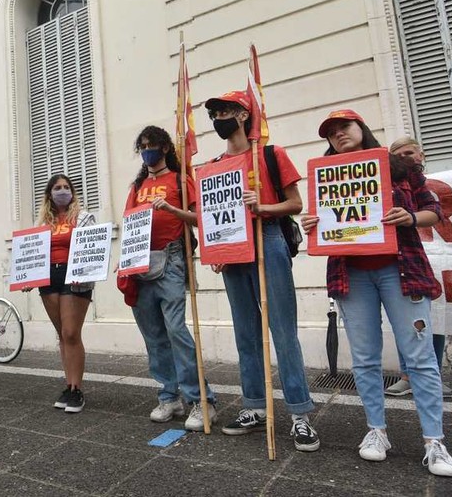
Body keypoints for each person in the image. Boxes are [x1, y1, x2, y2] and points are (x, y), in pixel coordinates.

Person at [301, 110, 452, 476]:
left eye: (345, 127)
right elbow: (325, 224)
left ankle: (434, 441)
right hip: (351, 275)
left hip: (402, 271)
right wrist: (311, 223)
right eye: (332, 132)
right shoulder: (326, 177)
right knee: (364, 359)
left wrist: (410, 217)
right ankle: (376, 431)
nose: (339, 134)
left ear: (362, 128)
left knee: (420, 358)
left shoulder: (400, 168)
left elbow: (434, 209)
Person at [204, 91, 319, 451]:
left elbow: (296, 204)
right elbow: (213, 215)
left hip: (267, 239)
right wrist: (216, 248)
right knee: (246, 334)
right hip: (234, 249)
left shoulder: (271, 154)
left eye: (224, 111)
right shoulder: (213, 165)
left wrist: (263, 206)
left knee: (283, 332)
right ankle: (254, 406)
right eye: (214, 114)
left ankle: (300, 414)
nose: (218, 118)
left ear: (243, 115)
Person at [121, 126, 217, 431]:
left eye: (151, 145)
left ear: (165, 148)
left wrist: (172, 209)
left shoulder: (180, 180)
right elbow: (128, 224)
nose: (146, 151)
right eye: (142, 146)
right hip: (141, 263)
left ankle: (201, 400)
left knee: (176, 330)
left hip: (172, 258)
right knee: (153, 334)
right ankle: (169, 395)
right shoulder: (137, 187)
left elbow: (201, 219)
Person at [384, 136, 452, 398]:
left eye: (409, 153)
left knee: (433, 319)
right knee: (406, 320)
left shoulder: (432, 182)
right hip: (410, 257)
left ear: (421, 154)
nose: (406, 158)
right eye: (399, 155)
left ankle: (431, 375)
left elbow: (435, 210)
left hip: (442, 256)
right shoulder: (393, 182)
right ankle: (407, 375)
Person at [25, 174, 95, 413]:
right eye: (57, 187)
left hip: (74, 276)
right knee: (62, 334)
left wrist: (86, 271)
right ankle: (68, 385)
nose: (62, 191)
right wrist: (28, 277)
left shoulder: (84, 218)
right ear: (49, 193)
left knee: (71, 332)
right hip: (48, 278)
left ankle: (77, 389)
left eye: (66, 187)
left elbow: (93, 248)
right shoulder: (43, 222)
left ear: (73, 192)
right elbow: (33, 254)